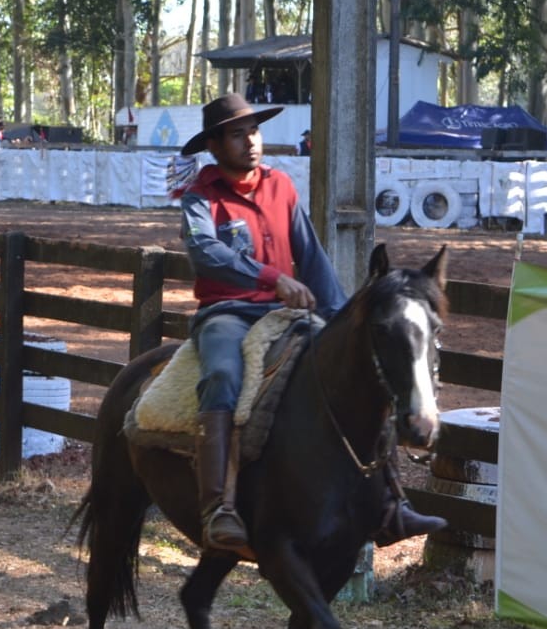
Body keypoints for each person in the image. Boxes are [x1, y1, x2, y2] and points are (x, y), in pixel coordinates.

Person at [179, 93, 445, 552]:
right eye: (238, 135)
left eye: (254, 132)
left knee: (362, 369)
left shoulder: (281, 186)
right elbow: (206, 252)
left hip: (287, 314)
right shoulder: (200, 197)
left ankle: (390, 504)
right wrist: (272, 278)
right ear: (215, 145)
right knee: (221, 376)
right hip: (227, 314)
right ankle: (217, 508)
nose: (250, 142)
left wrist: (343, 316)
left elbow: (311, 256)